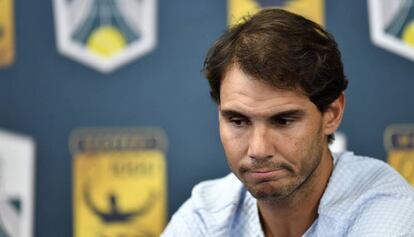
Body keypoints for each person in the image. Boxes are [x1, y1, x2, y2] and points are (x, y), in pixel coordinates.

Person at [161, 8, 414, 237]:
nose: (258, 150)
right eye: (238, 121)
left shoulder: (385, 207)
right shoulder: (208, 213)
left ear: (332, 114)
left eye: (282, 120)